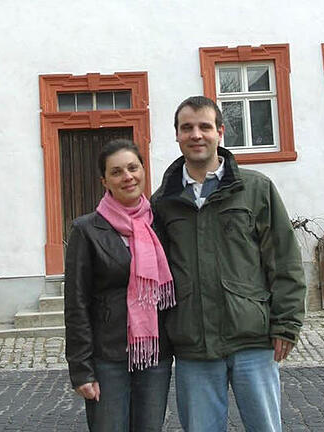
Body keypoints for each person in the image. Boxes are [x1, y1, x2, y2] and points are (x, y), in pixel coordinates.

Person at [151, 96, 307, 432]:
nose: (196, 134)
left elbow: (284, 260)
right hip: (194, 345)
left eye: (205, 126)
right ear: (176, 136)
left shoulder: (255, 188)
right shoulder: (163, 202)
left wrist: (286, 324)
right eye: (187, 128)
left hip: (252, 339)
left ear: (220, 132)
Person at [64, 139, 176, 432]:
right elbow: (76, 303)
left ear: (142, 171)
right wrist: (81, 369)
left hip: (155, 354)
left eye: (132, 168)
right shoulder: (86, 230)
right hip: (108, 357)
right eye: (116, 172)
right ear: (105, 181)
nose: (127, 176)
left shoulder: (160, 224)